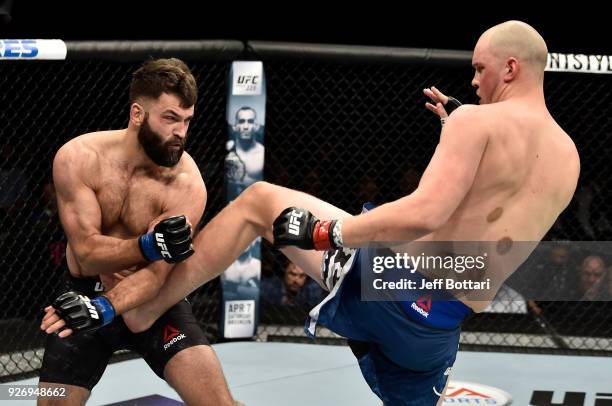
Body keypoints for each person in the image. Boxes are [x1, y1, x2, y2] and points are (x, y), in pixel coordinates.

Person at [43, 21, 580, 406]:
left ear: (511, 66)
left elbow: (425, 212)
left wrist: (329, 231)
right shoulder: (567, 157)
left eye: (481, 69)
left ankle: (128, 310)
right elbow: (485, 235)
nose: (473, 82)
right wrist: (470, 134)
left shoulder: (477, 124)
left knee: (258, 203)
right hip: (441, 326)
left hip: (392, 287)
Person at [38, 58, 238, 406]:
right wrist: (149, 245)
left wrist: (107, 305)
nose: (181, 132)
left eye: (187, 120)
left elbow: (159, 276)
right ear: (137, 114)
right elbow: (86, 250)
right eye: (171, 118)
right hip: (82, 293)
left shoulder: (187, 185)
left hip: (153, 301)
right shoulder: (79, 157)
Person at [225, 106, 265, 196]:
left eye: (250, 122)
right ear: (235, 126)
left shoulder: (263, 153)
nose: (246, 126)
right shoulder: (227, 149)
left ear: (256, 126)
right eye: (241, 121)